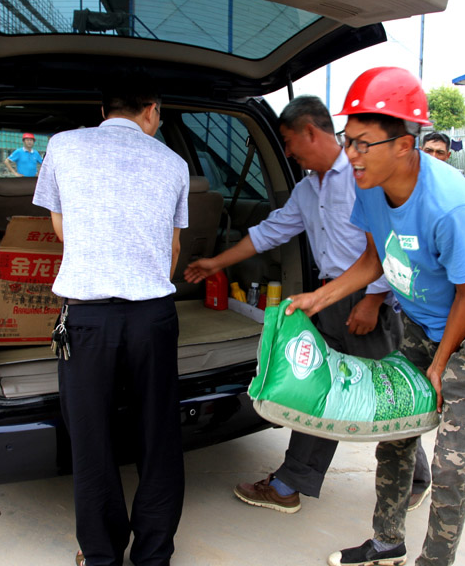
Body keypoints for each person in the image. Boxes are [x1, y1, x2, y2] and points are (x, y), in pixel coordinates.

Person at [285, 67, 465, 566]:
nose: (351, 155)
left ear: (404, 145)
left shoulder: (449, 208)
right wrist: (318, 298)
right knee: (395, 433)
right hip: (419, 322)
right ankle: (387, 541)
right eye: (348, 141)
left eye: (362, 144)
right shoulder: (370, 188)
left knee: (453, 465)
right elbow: (374, 259)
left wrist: (439, 365)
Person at [183, 95, 431, 512]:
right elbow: (270, 232)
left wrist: (373, 301)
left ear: (310, 132)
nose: (287, 151)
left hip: (368, 302)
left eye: (288, 141)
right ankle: (289, 484)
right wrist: (215, 263)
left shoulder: (362, 177)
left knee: (387, 395)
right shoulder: (306, 189)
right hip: (327, 299)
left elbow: (390, 247)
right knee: (318, 388)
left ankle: (415, 478)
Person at [32, 80, 189, 566]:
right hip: (153, 317)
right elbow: (172, 249)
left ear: (103, 109)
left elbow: (61, 230)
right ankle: (156, 558)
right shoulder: (174, 163)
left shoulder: (62, 146)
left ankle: (102, 561)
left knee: (92, 438)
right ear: (151, 110)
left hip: (87, 318)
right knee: (158, 435)